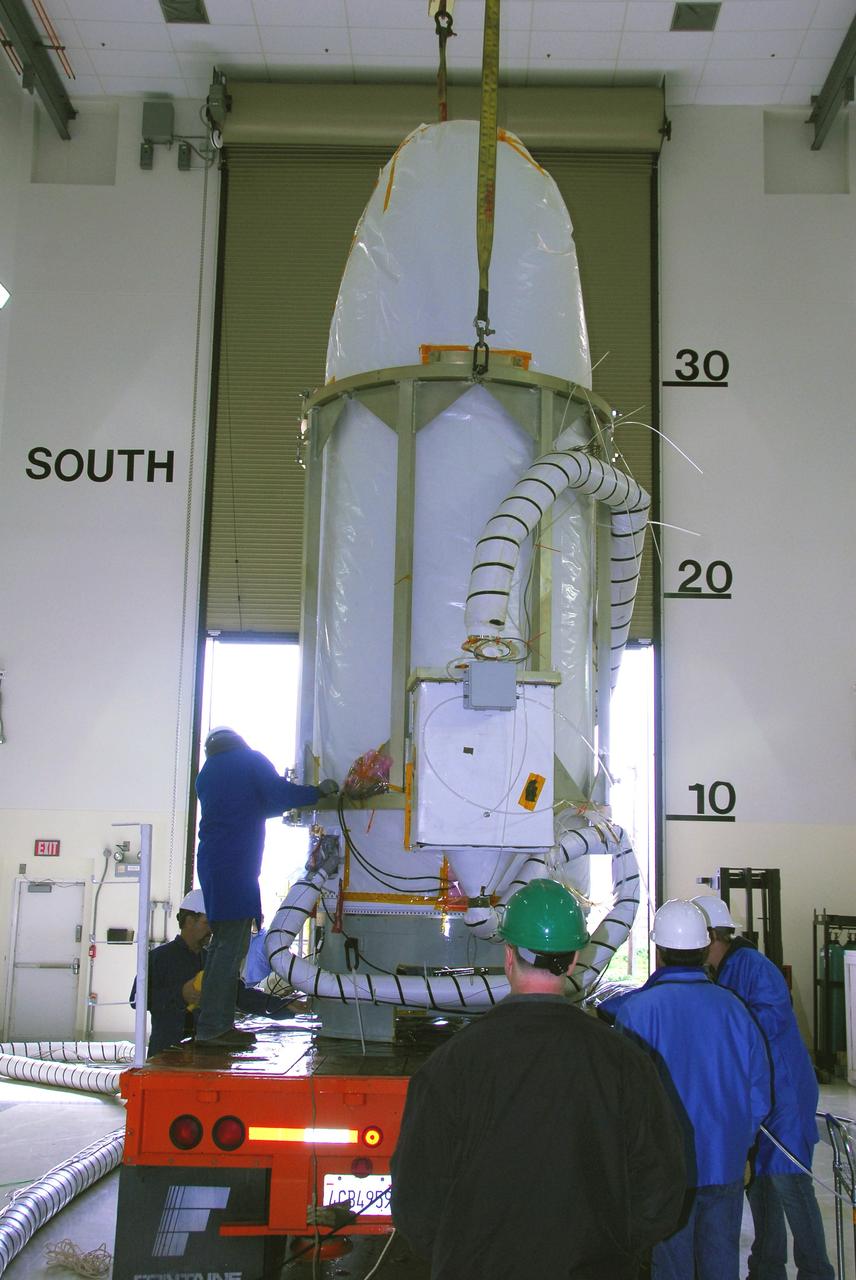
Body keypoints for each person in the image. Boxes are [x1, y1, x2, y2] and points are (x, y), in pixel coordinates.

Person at [390, 878, 687, 1280]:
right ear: (573, 960)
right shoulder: (624, 1062)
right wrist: (612, 1250)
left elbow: (416, 1204)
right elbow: (661, 1194)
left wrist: (461, 1255)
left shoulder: (451, 1064)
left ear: (509, 955)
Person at [613, 899, 772, 1280]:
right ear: (705, 947)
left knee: (672, 1267)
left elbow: (624, 1102)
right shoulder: (734, 1008)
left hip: (667, 1172)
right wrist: (739, 1142)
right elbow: (759, 1092)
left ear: (659, 950)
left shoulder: (638, 1012)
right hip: (726, 1163)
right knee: (720, 1266)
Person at [693, 894, 834, 1280]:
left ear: (709, 935)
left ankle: (817, 1272)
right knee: (760, 1187)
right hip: (761, 1096)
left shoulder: (752, 967)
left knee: (790, 1184)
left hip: (784, 1095)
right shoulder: (724, 970)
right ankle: (767, 1269)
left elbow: (762, 1027)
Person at [194, 726, 338, 1048]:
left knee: (223, 945)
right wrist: (318, 791)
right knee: (230, 948)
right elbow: (280, 795)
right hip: (235, 864)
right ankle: (215, 1028)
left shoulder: (208, 773)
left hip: (215, 863)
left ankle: (213, 1024)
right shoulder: (247, 760)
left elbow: (261, 805)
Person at [130, 889, 299, 1057]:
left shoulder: (213, 959)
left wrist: (286, 1007)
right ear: (189, 920)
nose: (212, 930)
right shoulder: (159, 958)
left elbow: (238, 995)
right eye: (207, 923)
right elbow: (136, 999)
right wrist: (181, 994)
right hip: (165, 1055)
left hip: (205, 1055)